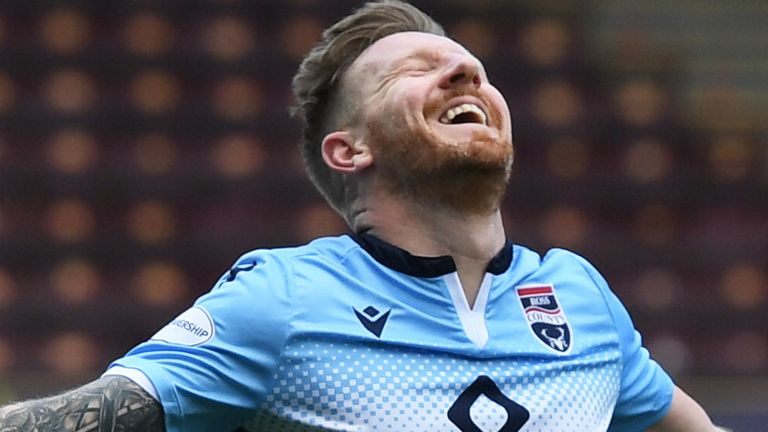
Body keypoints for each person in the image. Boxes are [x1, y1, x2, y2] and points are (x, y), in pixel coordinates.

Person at [0, 1, 727, 431]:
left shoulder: (580, 296)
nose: (466, 73)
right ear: (349, 151)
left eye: (473, 67)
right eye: (415, 70)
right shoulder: (283, 298)